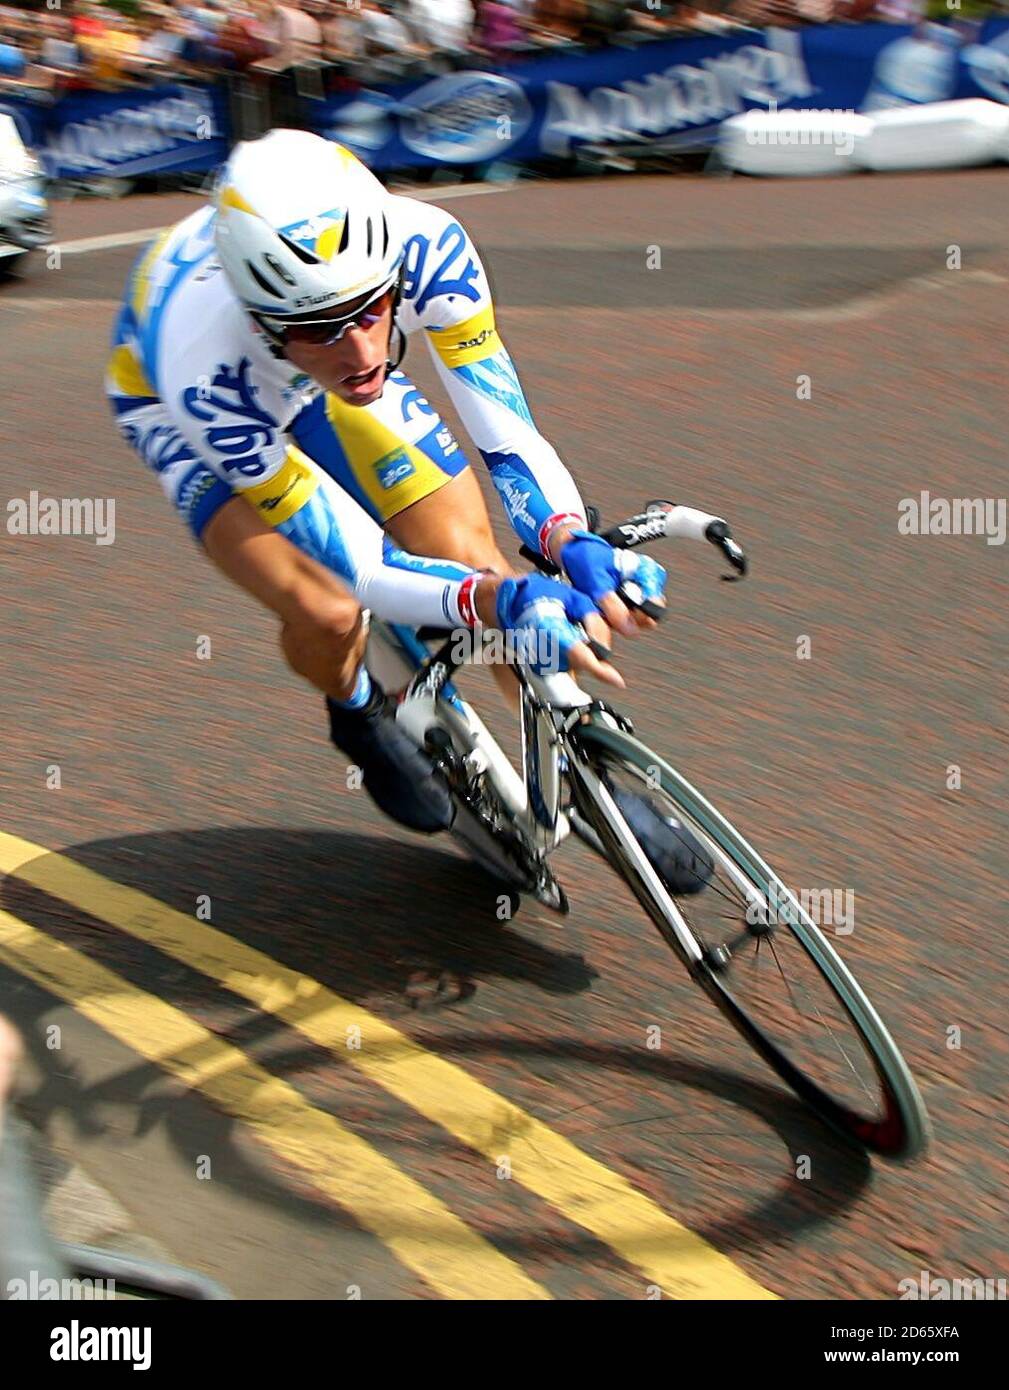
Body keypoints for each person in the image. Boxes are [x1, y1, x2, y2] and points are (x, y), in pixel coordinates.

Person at [105, 130, 711, 892]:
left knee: (474, 556)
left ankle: (585, 774)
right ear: (261, 318)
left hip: (291, 366)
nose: (360, 352)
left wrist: (562, 537)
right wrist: (497, 602)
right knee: (327, 608)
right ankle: (358, 709)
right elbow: (364, 566)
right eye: (320, 326)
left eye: (370, 311)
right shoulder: (202, 368)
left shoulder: (426, 244)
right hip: (179, 405)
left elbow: (506, 432)